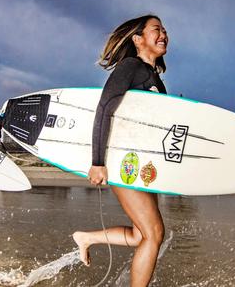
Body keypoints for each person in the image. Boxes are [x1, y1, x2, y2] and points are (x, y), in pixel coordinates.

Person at [73, 15, 168, 287]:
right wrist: (98, 161)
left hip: (143, 165)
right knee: (154, 233)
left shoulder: (154, 79)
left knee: (142, 235)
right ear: (138, 39)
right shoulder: (131, 66)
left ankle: (88, 237)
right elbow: (105, 108)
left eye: (164, 30)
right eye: (156, 30)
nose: (163, 34)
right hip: (124, 160)